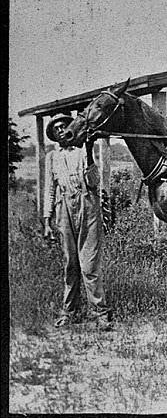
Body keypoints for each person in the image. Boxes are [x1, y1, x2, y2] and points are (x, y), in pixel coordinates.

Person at [43, 114, 114, 330]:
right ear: (53, 135)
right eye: (56, 129)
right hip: (64, 208)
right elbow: (50, 190)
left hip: (88, 205)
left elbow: (94, 182)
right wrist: (47, 221)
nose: (61, 130)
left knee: (89, 264)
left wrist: (89, 152)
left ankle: (100, 312)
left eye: (64, 126)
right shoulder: (52, 157)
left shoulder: (83, 152)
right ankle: (69, 311)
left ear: (70, 129)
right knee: (70, 263)